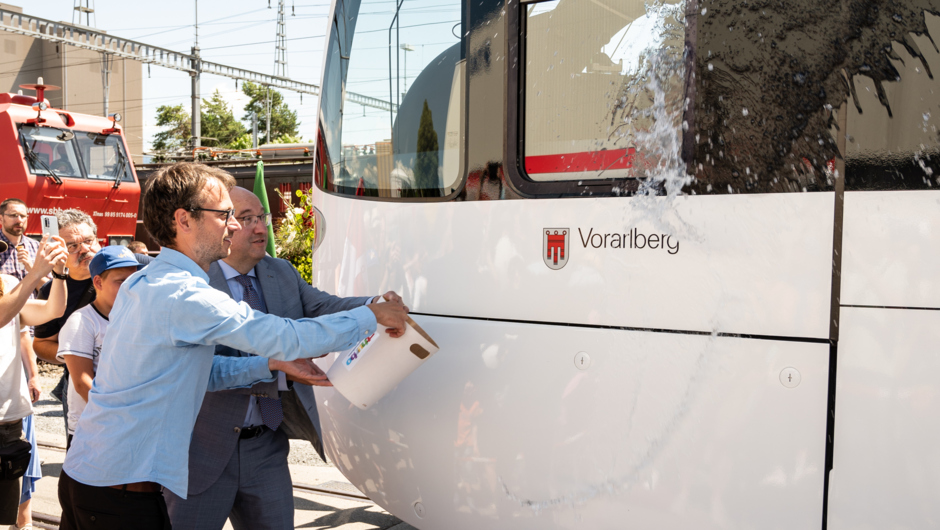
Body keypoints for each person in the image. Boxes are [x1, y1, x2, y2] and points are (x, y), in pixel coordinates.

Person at [57, 162, 408, 529]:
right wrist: (374, 317)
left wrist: (268, 365)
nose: (236, 225)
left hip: (91, 477)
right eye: (225, 214)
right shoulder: (184, 295)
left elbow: (202, 371)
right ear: (185, 220)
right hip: (121, 495)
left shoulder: (145, 281)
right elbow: (287, 337)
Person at [164, 187, 404, 529]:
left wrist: (376, 305)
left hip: (267, 444)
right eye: (247, 219)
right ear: (225, 224)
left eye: (262, 217)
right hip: (200, 449)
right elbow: (200, 369)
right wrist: (275, 364)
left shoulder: (281, 272)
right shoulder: (194, 284)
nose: (261, 228)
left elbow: (325, 306)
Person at [0, 236, 68, 527]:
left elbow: (51, 311)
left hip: (7, 422)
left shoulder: (5, 282)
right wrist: (34, 275)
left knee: (3, 515)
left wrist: (60, 274)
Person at [55, 246, 140, 450]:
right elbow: (82, 382)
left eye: (135, 280)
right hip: (93, 431)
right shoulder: (82, 321)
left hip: (129, 427)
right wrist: (119, 416)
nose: (130, 287)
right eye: (121, 281)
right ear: (98, 282)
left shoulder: (138, 318)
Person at [31, 210, 100, 441]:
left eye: (89, 241)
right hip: (80, 389)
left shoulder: (127, 273)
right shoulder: (52, 291)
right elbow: (40, 344)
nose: (84, 250)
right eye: (72, 246)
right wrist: (75, 355)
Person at [0, 200, 39, 283]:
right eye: (14, 215)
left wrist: (32, 270)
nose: (19, 220)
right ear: (1, 219)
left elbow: (48, 289)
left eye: (23, 216)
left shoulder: (37, 247)